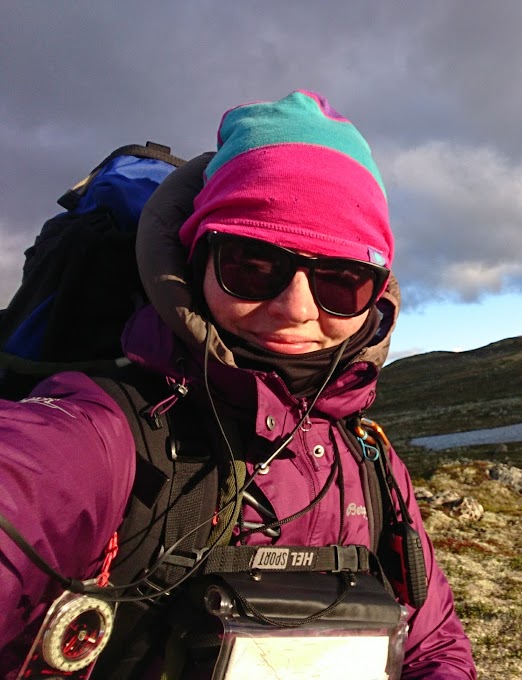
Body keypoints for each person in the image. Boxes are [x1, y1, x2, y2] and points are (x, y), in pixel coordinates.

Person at [0, 90, 476, 679]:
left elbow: (433, 647)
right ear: (195, 263)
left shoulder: (369, 460)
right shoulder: (97, 433)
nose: (296, 309)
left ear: (377, 292)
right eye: (252, 266)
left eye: (342, 279)